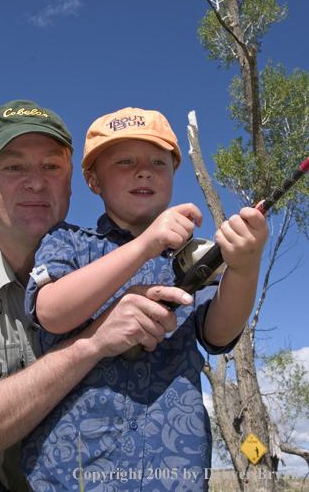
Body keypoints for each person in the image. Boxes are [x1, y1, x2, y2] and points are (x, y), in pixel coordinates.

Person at [0, 101, 187, 492]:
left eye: (52, 166)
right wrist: (91, 343)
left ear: (72, 181)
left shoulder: (124, 260)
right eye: (13, 167)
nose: (36, 182)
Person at [22, 107, 269, 491]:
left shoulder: (194, 257)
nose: (144, 170)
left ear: (173, 175)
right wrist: (145, 245)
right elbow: (51, 312)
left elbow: (219, 335)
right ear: (92, 180)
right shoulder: (67, 241)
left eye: (159, 161)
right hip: (73, 474)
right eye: (125, 161)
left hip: (173, 474)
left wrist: (245, 267)